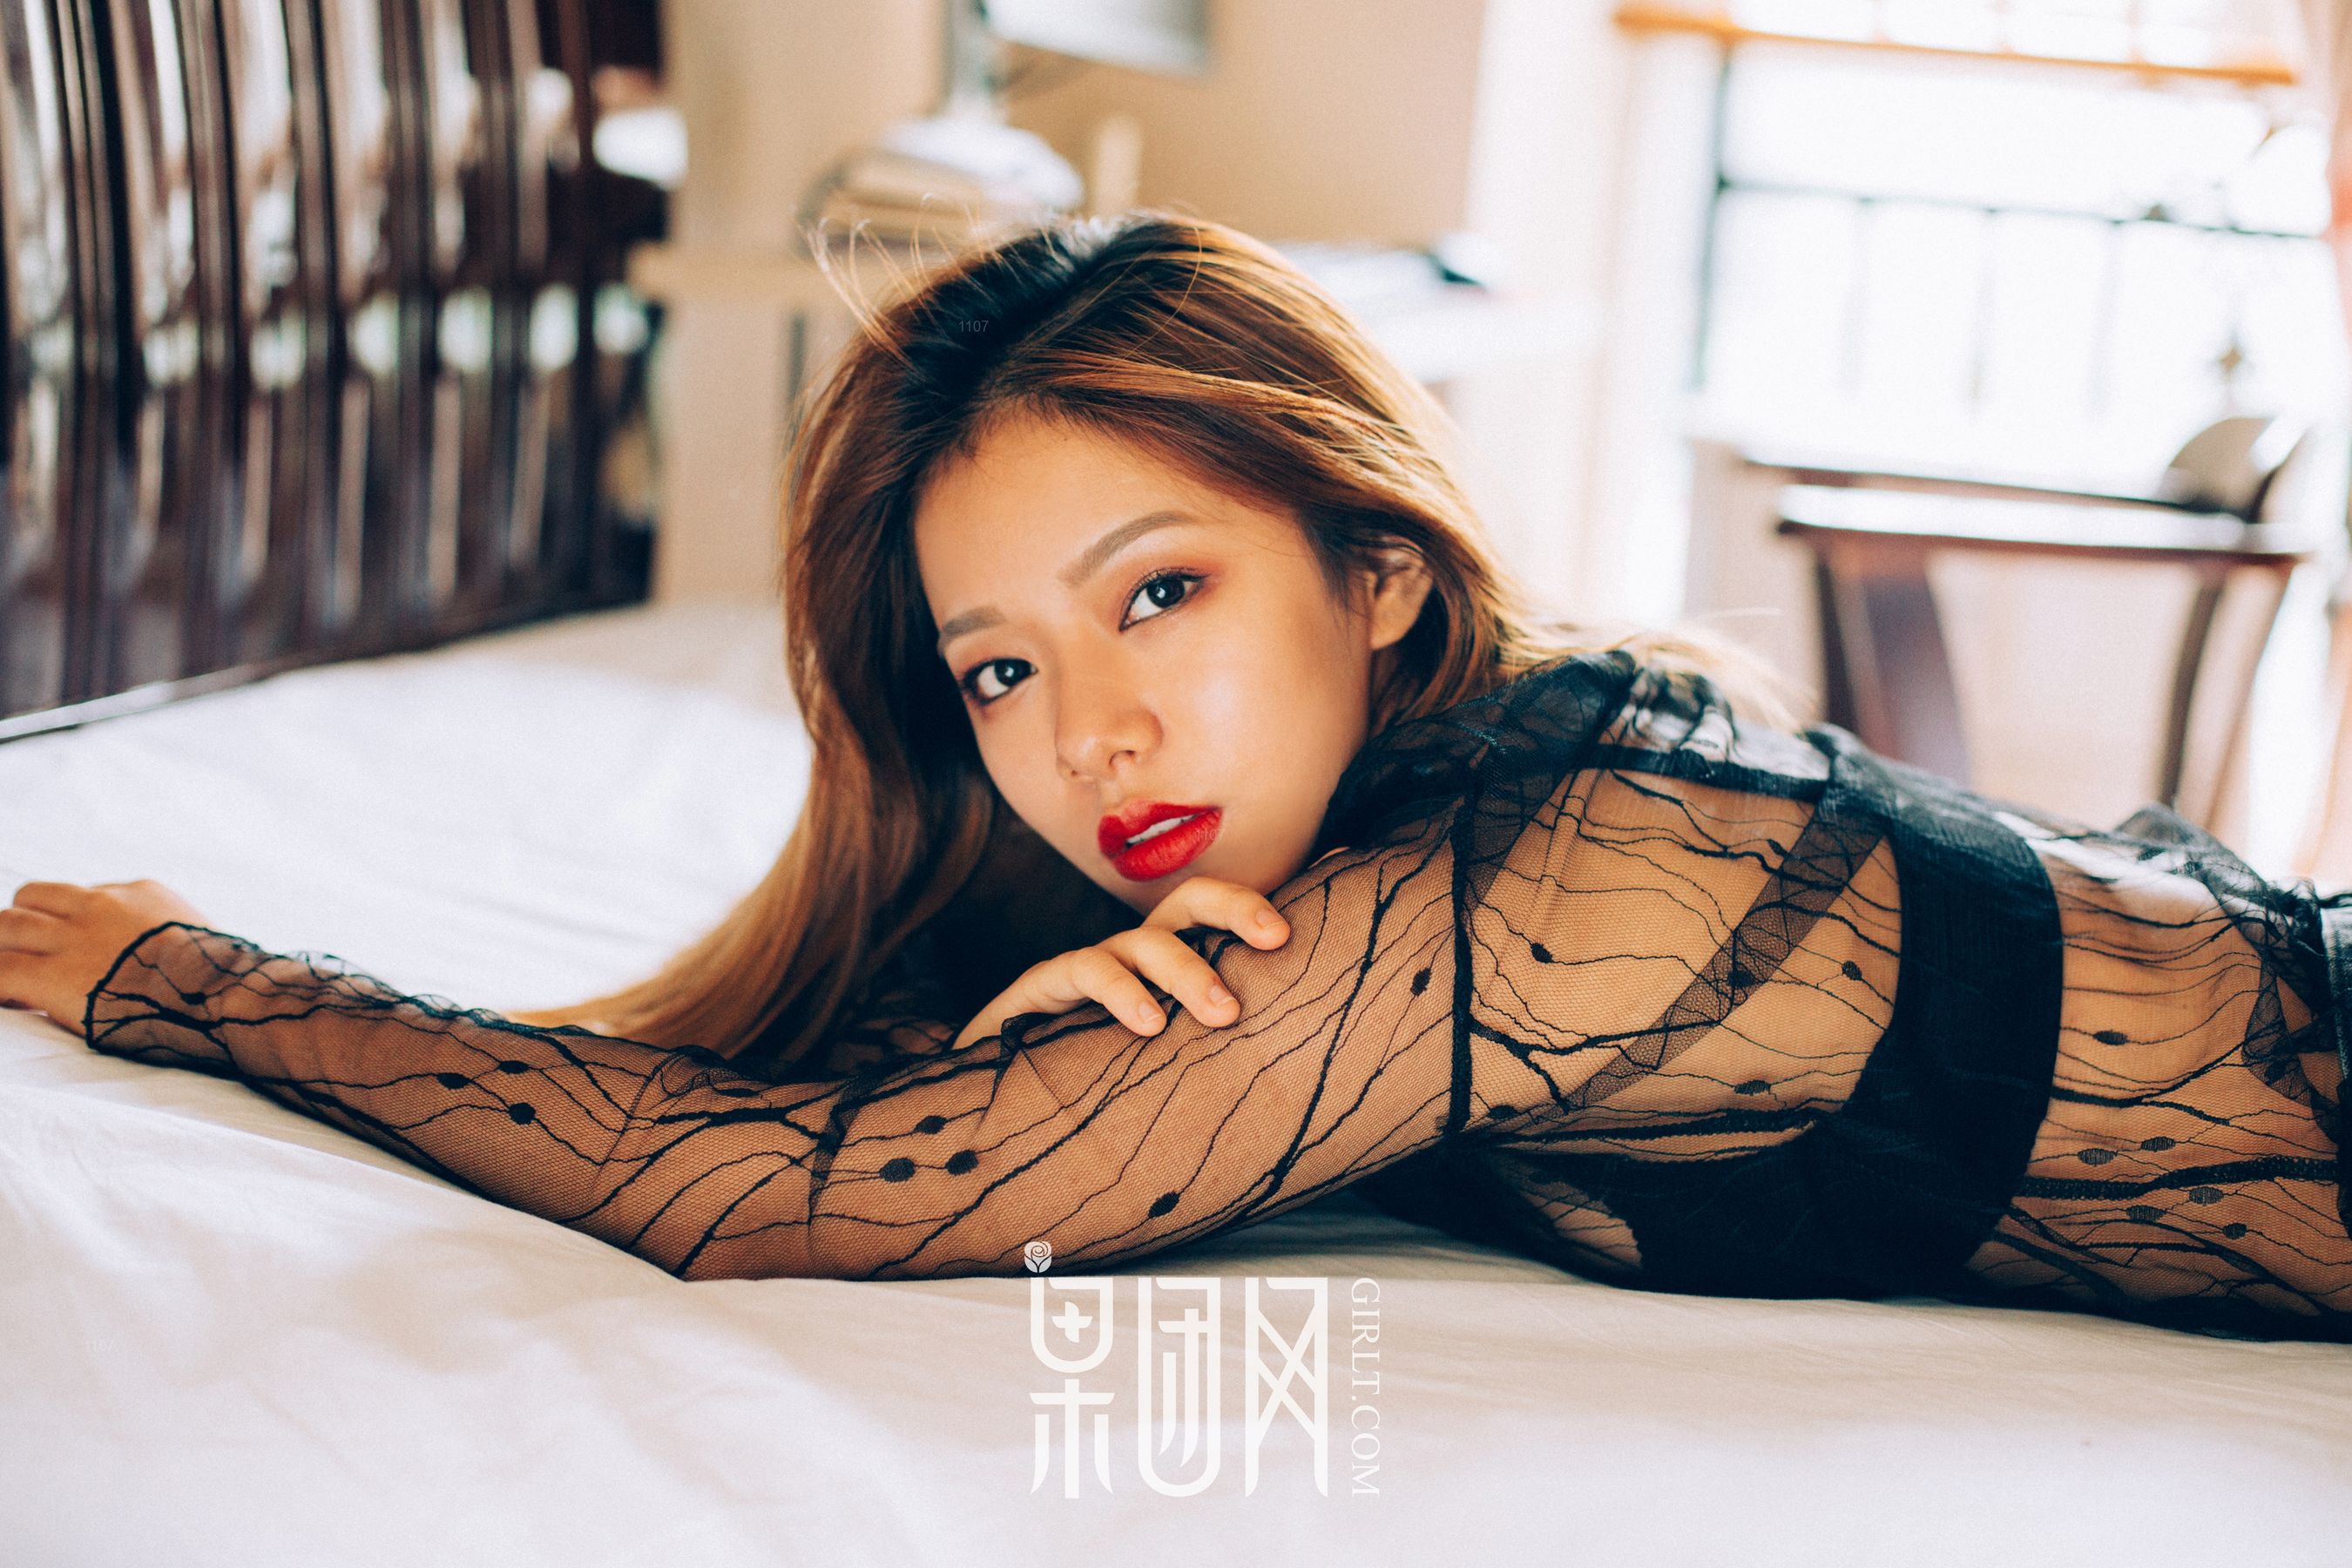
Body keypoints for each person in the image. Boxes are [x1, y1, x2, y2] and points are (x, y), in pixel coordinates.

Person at [4, 211, 2349, 1341]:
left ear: (1379, 575)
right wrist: (1010, 1051)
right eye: (998, 667)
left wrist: (182, 973)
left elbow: (749, 1192)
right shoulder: (1432, 837)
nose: (1086, 734)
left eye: (1158, 592)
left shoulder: (1529, 886)